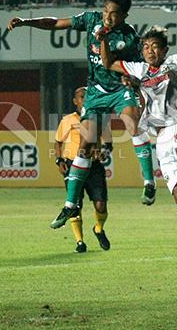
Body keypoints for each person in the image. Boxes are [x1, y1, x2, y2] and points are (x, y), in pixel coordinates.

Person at [7, 0, 157, 228]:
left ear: (125, 15)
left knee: (132, 124)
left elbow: (141, 68)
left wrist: (134, 82)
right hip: (95, 91)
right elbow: (56, 23)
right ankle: (69, 205)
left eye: (115, 14)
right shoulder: (91, 19)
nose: (108, 17)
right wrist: (27, 22)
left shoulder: (129, 37)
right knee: (85, 145)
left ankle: (149, 182)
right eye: (106, 10)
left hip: (119, 89)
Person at [101, 27, 177, 274]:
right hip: (161, 136)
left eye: (154, 46)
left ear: (164, 50)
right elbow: (108, 62)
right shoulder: (140, 69)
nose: (149, 50)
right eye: (146, 47)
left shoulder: (176, 62)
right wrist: (103, 40)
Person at [55, 87, 112, 253]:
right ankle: (80, 242)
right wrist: (59, 161)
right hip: (72, 165)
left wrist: (104, 152)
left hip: (94, 166)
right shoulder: (68, 120)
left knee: (101, 205)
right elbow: (58, 142)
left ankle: (99, 229)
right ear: (75, 101)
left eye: (88, 96)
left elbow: (108, 143)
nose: (85, 99)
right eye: (81, 97)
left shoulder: (99, 119)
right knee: (75, 205)